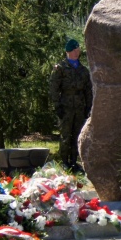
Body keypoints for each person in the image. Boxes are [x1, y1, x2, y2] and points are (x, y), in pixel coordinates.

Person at [49, 38, 93, 170]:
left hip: (79, 106)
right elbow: (54, 88)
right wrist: (57, 105)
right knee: (65, 135)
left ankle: (74, 161)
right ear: (68, 51)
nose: (77, 52)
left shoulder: (83, 70)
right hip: (65, 105)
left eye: (78, 50)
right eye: (75, 50)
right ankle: (64, 161)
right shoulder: (60, 68)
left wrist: (88, 107)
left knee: (78, 134)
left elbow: (88, 90)